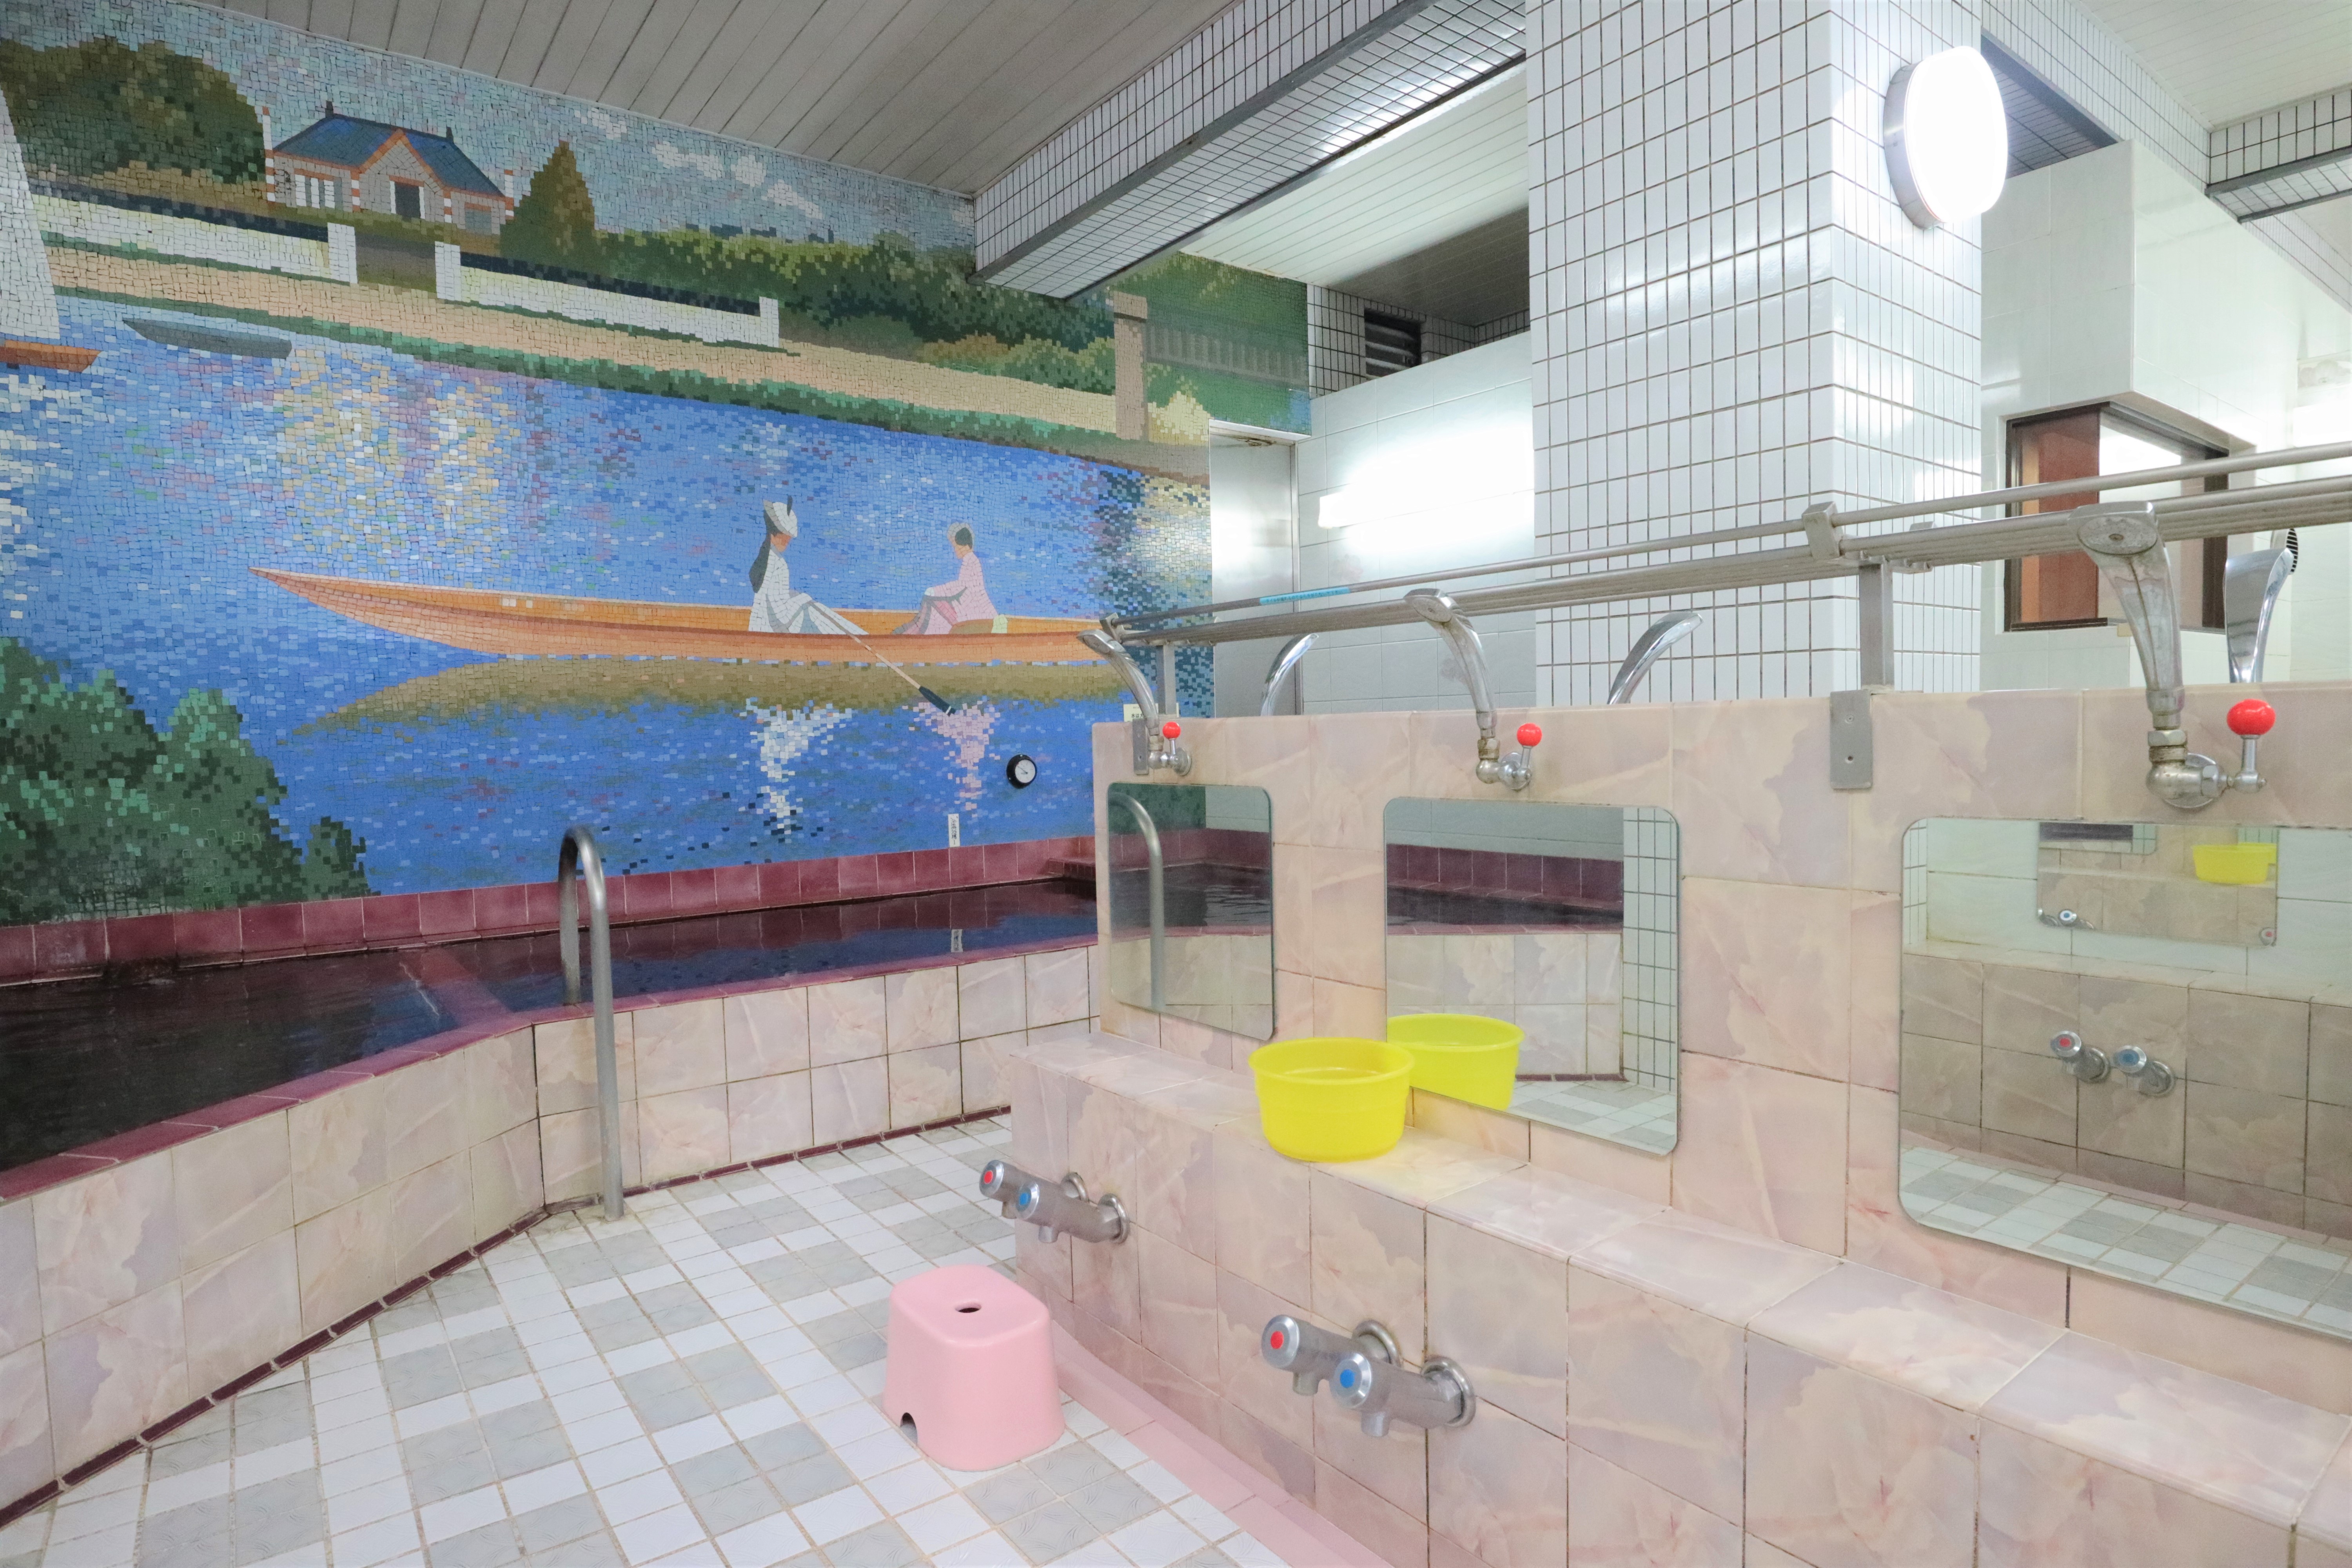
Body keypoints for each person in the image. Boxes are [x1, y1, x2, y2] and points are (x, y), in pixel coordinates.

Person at [748, 499, 865, 636]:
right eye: (785, 539)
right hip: (773, 630)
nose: (787, 543)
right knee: (815, 612)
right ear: (773, 535)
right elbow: (782, 616)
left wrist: (796, 597)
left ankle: (856, 635)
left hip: (764, 626)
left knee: (814, 608)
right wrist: (803, 599)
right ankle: (856, 636)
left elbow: (776, 598)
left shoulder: (766, 559)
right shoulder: (778, 564)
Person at [900, 525, 1000, 635]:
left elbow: (960, 587)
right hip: (975, 610)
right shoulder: (971, 560)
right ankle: (918, 629)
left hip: (975, 613)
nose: (956, 550)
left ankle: (917, 631)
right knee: (933, 602)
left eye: (957, 547)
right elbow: (962, 587)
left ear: (966, 547)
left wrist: (936, 591)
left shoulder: (970, 560)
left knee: (931, 601)